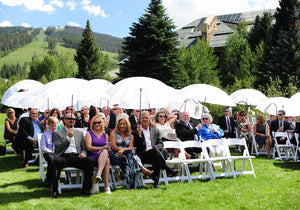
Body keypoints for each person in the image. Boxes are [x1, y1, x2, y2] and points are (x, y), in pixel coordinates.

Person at [51, 113, 94, 198]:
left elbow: (84, 148)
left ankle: (86, 189)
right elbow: (58, 148)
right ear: (65, 120)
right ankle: (55, 190)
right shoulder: (57, 133)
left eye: (74, 119)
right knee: (55, 162)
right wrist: (68, 138)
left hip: (77, 156)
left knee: (89, 162)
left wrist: (83, 153)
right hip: (64, 156)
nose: (72, 120)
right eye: (69, 119)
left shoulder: (79, 133)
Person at [132, 111, 178, 188]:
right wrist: (139, 135)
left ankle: (156, 182)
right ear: (140, 119)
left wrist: (154, 148)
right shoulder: (135, 131)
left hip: (155, 154)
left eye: (147, 118)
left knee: (156, 153)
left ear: (150, 119)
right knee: (156, 153)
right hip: (144, 155)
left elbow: (161, 144)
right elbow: (136, 146)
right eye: (143, 118)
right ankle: (167, 169)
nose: (145, 119)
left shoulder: (155, 131)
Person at [110, 115, 153, 189]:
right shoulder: (114, 133)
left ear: (127, 125)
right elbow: (113, 146)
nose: (122, 126)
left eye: (124, 124)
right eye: (120, 124)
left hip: (127, 155)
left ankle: (128, 185)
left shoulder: (130, 135)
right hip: (117, 155)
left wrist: (123, 150)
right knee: (131, 155)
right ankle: (143, 170)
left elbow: (130, 146)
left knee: (130, 158)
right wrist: (121, 151)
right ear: (117, 125)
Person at [85, 115, 111, 194]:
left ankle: (98, 176)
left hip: (103, 156)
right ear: (92, 124)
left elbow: (107, 147)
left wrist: (107, 149)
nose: (97, 124)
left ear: (102, 123)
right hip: (93, 157)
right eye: (95, 123)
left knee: (106, 157)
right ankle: (106, 186)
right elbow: (89, 147)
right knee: (107, 159)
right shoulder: (89, 133)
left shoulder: (105, 135)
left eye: (99, 122)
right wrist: (101, 148)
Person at [40, 116, 58, 187]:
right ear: (48, 125)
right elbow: (43, 146)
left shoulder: (60, 133)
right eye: (52, 125)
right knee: (51, 161)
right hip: (48, 152)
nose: (54, 127)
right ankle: (49, 180)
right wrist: (50, 151)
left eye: (55, 125)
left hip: (58, 152)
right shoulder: (45, 135)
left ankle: (68, 179)